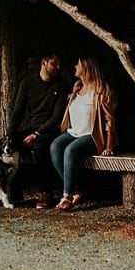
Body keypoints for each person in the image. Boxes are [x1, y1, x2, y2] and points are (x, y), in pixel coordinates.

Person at [50, 55, 117, 211]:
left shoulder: (100, 90)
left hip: (92, 135)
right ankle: (76, 191)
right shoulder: (77, 87)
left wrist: (109, 145)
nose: (74, 67)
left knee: (70, 150)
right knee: (55, 146)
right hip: (74, 132)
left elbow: (109, 120)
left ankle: (67, 196)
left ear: (86, 68)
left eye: (77, 65)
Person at [7, 53, 68, 209]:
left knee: (41, 146)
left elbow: (57, 116)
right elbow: (17, 111)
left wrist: (37, 134)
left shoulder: (61, 84)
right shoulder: (27, 83)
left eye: (59, 65)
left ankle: (45, 192)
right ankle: (12, 191)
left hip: (50, 130)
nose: (58, 68)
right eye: (55, 64)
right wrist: (10, 135)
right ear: (44, 62)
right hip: (31, 128)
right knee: (6, 146)